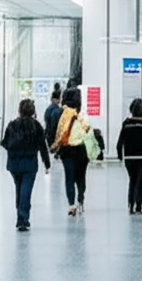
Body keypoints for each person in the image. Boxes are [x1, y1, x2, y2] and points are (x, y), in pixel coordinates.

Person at [0, 99, 51, 232]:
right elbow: (42, 146)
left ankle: (20, 215)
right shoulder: (36, 126)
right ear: (33, 111)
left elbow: (5, 143)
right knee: (26, 190)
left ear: (20, 110)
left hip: (14, 163)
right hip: (29, 163)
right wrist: (47, 163)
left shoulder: (12, 125)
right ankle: (23, 218)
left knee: (19, 188)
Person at [116, 98, 142, 215]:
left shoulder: (127, 123)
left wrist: (120, 155)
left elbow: (120, 142)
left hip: (129, 158)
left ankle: (131, 203)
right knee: (141, 180)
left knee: (132, 180)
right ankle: (139, 205)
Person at [53, 87, 90, 216]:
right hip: (82, 149)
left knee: (69, 176)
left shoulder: (61, 114)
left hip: (66, 150)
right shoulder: (81, 114)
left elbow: (57, 132)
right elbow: (88, 131)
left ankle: (71, 204)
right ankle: (80, 199)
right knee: (81, 176)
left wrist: (55, 147)